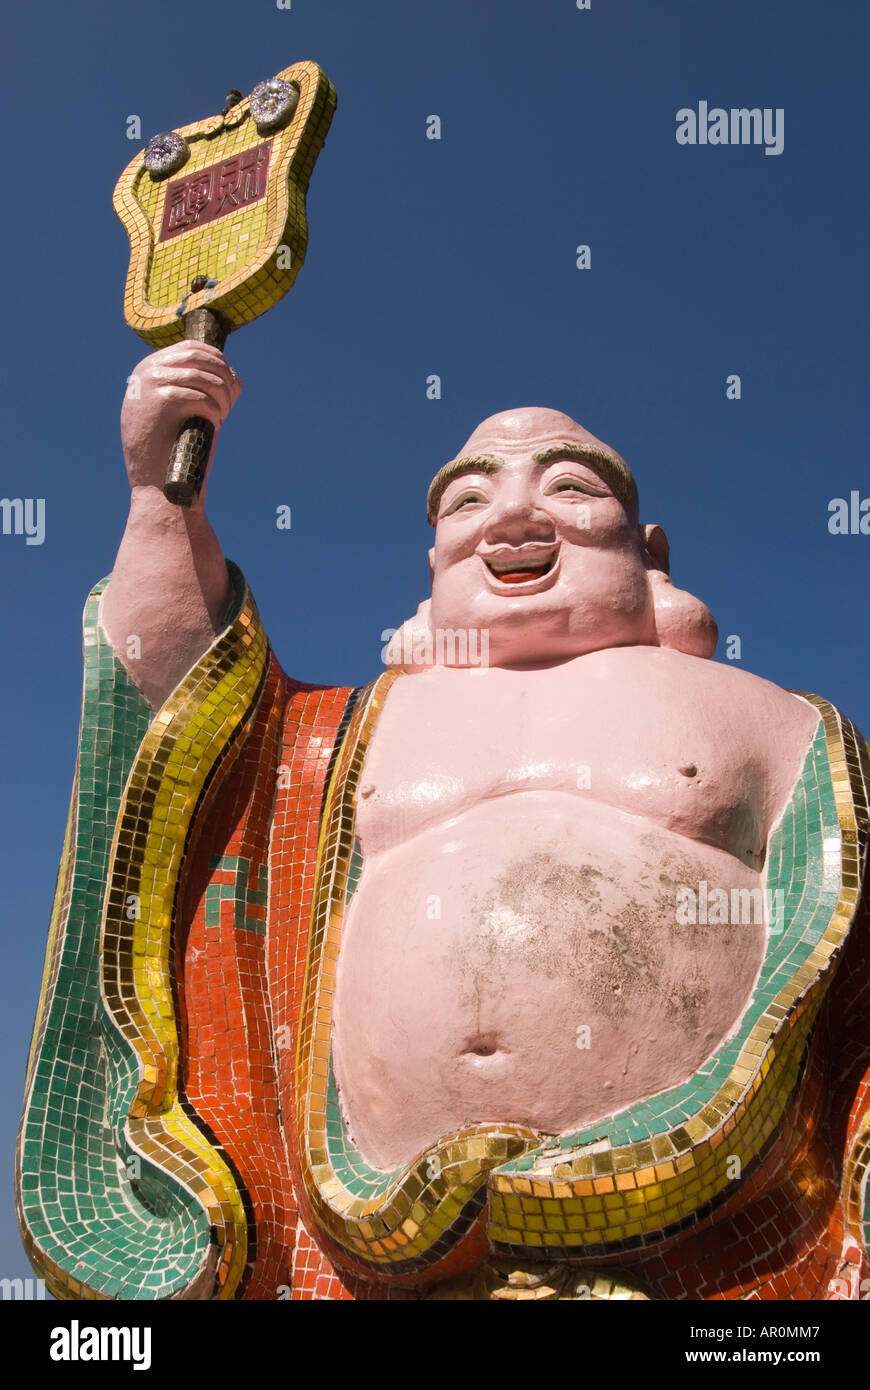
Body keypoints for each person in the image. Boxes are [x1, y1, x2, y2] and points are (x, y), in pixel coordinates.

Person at [16, 343, 869, 1300]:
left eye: (571, 486)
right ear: (433, 567)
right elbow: (175, 707)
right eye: (468, 501)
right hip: (368, 1230)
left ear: (650, 552)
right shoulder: (337, 730)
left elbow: (843, 939)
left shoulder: (776, 718)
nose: (512, 514)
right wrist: (160, 494)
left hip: (722, 1232)